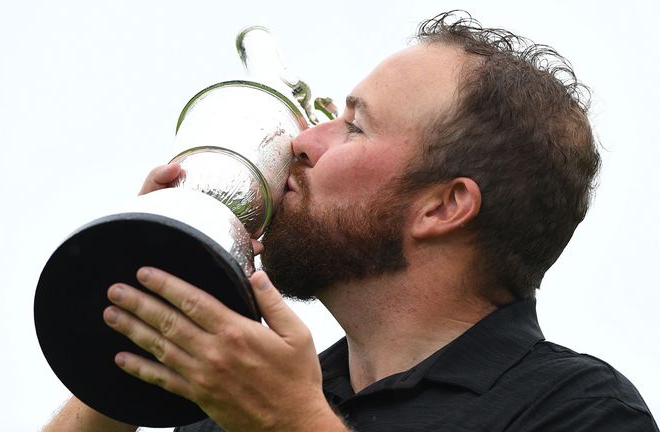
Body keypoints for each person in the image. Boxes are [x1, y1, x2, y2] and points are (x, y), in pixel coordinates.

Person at [43, 11, 658, 432]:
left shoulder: (579, 410)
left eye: (354, 126)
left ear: (444, 207)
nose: (304, 140)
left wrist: (288, 421)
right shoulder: (236, 394)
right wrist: (138, 314)